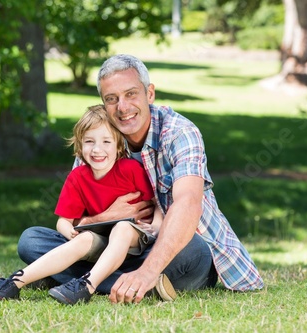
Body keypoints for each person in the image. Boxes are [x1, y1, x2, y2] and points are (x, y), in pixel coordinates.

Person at [17, 54, 264, 304]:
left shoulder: (180, 133)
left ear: (150, 94)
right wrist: (105, 218)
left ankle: (78, 277)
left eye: (131, 94)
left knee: (194, 249)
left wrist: (147, 270)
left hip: (175, 249)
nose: (122, 107)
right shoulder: (98, 140)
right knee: (31, 240)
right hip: (112, 246)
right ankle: (121, 282)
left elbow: (188, 203)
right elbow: (74, 219)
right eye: (111, 99)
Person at [0, 105, 175, 305]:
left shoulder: (131, 169)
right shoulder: (78, 177)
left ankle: (86, 285)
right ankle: (14, 282)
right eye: (89, 142)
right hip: (101, 240)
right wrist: (72, 234)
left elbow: (157, 202)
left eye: (106, 142)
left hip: (137, 240)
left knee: (123, 227)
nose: (97, 149)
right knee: (46, 239)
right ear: (80, 145)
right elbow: (63, 222)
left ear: (118, 146)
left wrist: (157, 225)